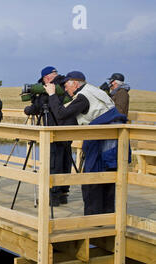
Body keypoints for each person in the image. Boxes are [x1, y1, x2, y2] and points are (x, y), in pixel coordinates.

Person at [44, 71, 128, 215]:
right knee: (108, 180)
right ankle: (108, 218)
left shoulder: (83, 97)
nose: (65, 89)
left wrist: (52, 95)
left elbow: (60, 114)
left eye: (66, 86)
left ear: (75, 84)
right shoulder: (93, 91)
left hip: (101, 142)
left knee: (92, 180)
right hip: (112, 140)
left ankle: (94, 220)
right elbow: (69, 118)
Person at [24, 66, 76, 206]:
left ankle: (53, 196)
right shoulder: (65, 84)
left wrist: (30, 109)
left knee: (53, 161)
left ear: (47, 77)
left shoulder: (51, 88)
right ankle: (64, 193)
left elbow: (40, 105)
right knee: (66, 159)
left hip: (54, 128)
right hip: (68, 128)